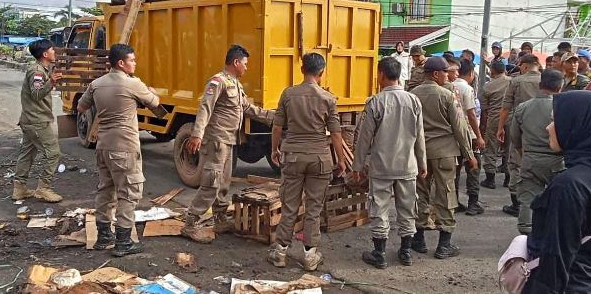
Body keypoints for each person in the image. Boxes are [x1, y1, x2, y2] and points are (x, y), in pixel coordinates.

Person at [521, 91, 591, 293]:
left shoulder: (569, 184)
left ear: (578, 126)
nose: (548, 128)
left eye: (555, 121)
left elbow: (555, 259)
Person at [182, 45, 274, 243]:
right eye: (245, 64)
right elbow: (205, 108)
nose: (246, 68)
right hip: (216, 140)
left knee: (223, 183)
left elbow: (248, 108)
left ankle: (220, 219)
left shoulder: (236, 85)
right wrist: (197, 135)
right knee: (211, 183)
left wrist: (273, 117)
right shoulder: (218, 82)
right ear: (236, 62)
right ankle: (191, 222)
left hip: (229, 140)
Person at [77, 44, 160, 257]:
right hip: (124, 146)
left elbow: (81, 107)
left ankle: (104, 235)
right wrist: (150, 92)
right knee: (128, 193)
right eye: (132, 60)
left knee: (106, 189)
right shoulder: (132, 83)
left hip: (103, 144)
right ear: (121, 63)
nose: (135, 63)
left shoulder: (96, 84)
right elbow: (155, 104)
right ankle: (123, 242)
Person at [268, 53, 346, 271]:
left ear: (302, 69)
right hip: (320, 158)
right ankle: (310, 256)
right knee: (314, 208)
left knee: (290, 206)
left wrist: (275, 149)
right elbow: (336, 134)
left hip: (292, 156)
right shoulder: (328, 99)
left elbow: (277, 127)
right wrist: (340, 160)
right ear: (321, 73)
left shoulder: (288, 94)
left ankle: (280, 253)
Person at [354, 57, 426, 269]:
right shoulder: (413, 101)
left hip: (382, 167)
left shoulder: (375, 102)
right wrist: (422, 163)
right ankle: (405, 252)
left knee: (380, 209)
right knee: (407, 209)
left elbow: (364, 139)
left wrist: (357, 166)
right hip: (407, 166)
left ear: (382, 74)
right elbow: (420, 136)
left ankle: (380, 253)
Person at [410, 56, 477, 260]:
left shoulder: (412, 95)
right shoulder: (447, 95)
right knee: (446, 194)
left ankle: (418, 238)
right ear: (436, 74)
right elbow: (459, 127)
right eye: (446, 72)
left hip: (419, 153)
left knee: (420, 193)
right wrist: (470, 155)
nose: (448, 75)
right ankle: (443, 244)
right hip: (445, 152)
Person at [509, 69, 564, 234]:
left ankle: (527, 233)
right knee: (558, 199)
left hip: (531, 159)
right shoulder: (563, 108)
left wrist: (523, 153)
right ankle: (554, 233)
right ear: (560, 87)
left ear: (540, 85)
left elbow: (514, 137)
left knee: (528, 199)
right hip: (558, 161)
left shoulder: (523, 107)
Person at [13, 39, 63, 203]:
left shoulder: (41, 70)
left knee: (27, 153)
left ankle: (19, 188)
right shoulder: (37, 72)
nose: (54, 52)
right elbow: (36, 94)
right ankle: (43, 188)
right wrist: (52, 82)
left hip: (29, 119)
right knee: (53, 153)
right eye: (52, 50)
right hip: (37, 121)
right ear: (45, 54)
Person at [497, 54, 542, 217]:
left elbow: (505, 107)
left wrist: (500, 128)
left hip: (520, 126)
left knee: (516, 163)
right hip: (543, 128)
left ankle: (516, 203)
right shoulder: (545, 81)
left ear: (523, 66)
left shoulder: (516, 81)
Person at [452, 58, 485, 215]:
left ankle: (454, 201)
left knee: (455, 170)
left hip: (453, 134)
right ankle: (473, 203)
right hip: (469, 134)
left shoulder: (449, 86)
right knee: (473, 167)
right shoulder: (467, 89)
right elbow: (471, 114)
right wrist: (479, 136)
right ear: (471, 73)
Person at [480, 60, 511, 189]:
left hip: (494, 118)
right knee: (511, 148)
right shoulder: (512, 82)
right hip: (511, 117)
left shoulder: (487, 87)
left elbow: (485, 109)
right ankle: (509, 178)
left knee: (491, 147)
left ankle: (490, 178)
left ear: (492, 71)